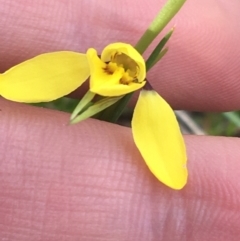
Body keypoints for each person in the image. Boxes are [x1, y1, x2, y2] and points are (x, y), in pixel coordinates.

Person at [1, 0, 240, 240]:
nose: (117, 69)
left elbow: (169, 168)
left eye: (125, 69)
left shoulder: (150, 104)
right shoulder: (86, 66)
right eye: (114, 64)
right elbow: (13, 85)